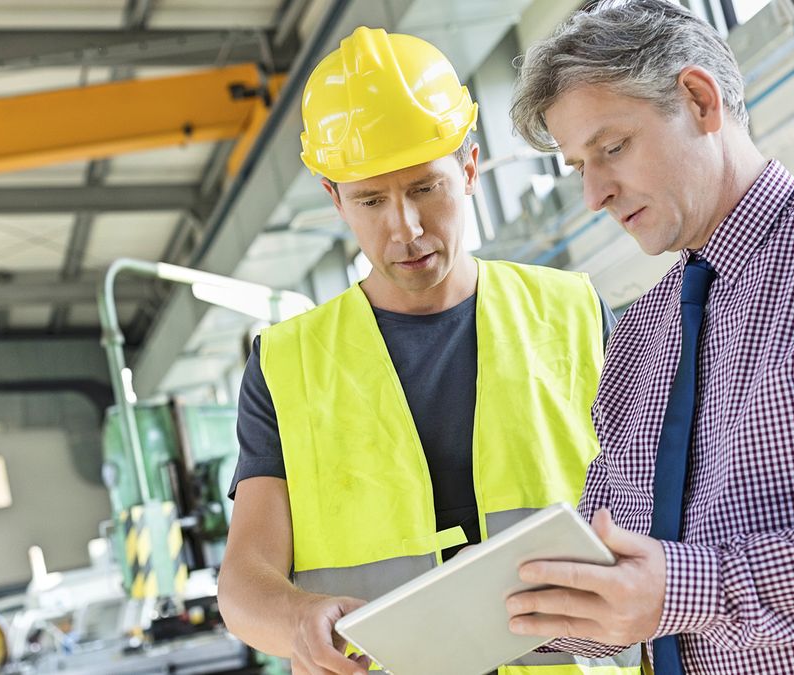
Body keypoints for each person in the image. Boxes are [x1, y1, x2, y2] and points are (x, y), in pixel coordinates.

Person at [504, 0, 794, 671]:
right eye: (580, 165)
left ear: (699, 99)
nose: (595, 195)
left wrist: (695, 587)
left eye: (612, 148)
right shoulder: (640, 337)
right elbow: (623, 588)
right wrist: (447, 626)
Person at [217, 25, 642, 675]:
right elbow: (244, 580)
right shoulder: (285, 364)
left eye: (424, 188)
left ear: (469, 169)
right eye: (370, 200)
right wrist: (298, 618)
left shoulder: (574, 312)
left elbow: (662, 506)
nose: (405, 228)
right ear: (334, 198)